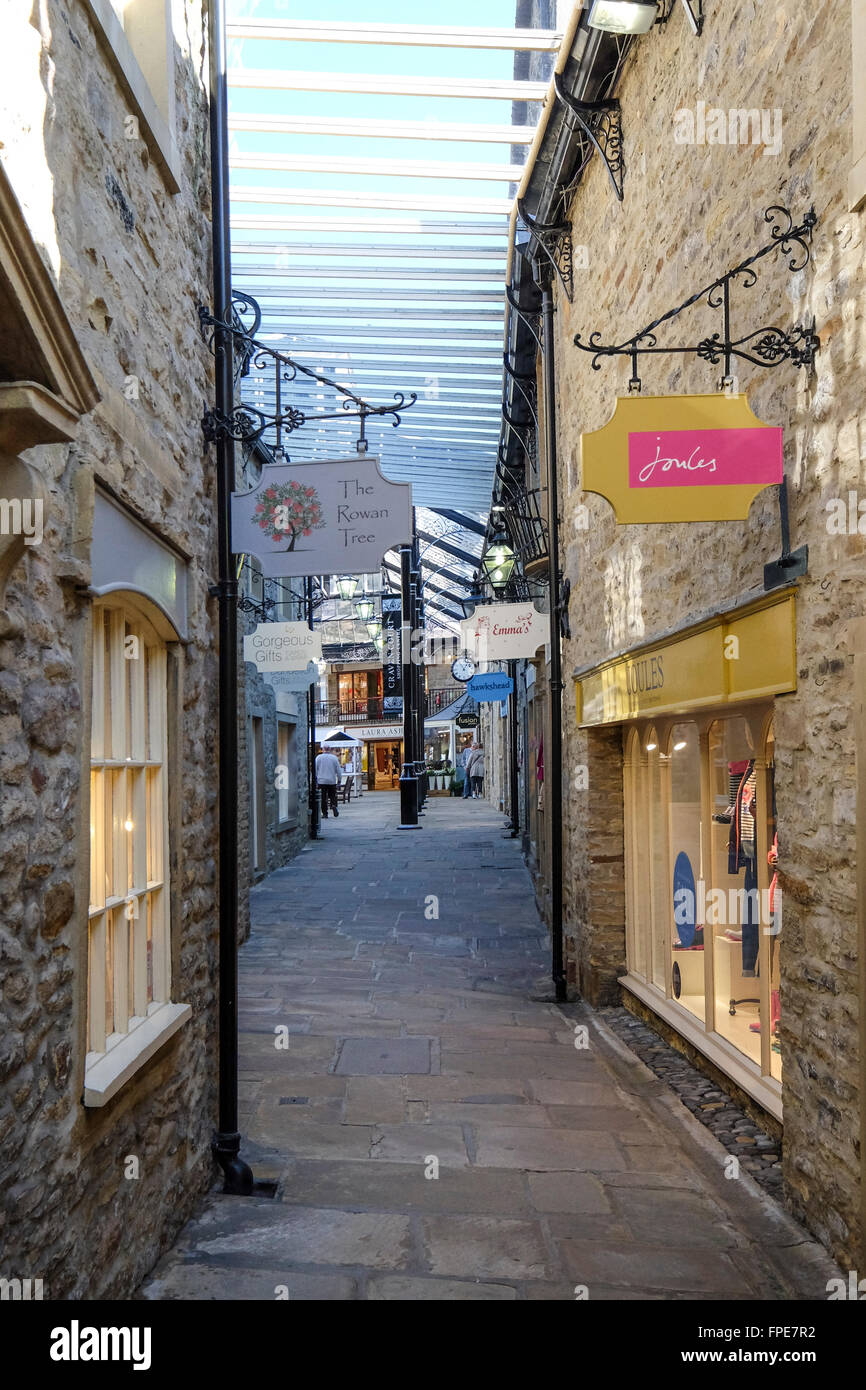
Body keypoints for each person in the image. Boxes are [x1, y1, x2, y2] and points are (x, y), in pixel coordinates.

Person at [315, 748, 343, 819]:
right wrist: (339, 780)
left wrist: (315, 780)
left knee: (323, 798)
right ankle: (333, 805)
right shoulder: (334, 758)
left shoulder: (318, 758)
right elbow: (338, 770)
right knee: (332, 796)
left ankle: (325, 813)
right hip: (331, 781)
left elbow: (315, 769)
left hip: (321, 781)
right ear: (330, 750)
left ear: (323, 749)